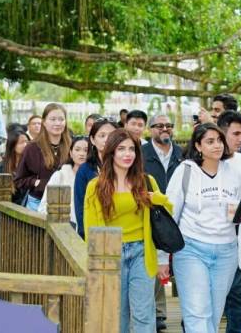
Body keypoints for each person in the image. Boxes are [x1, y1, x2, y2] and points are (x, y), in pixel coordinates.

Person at [158, 123, 241, 333]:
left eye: (219, 140)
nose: (217, 145)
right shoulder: (186, 171)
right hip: (191, 249)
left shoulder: (234, 173)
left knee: (214, 315)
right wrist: (162, 257)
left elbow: (240, 209)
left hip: (226, 251)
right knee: (197, 313)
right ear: (198, 146)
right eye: (210, 141)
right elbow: (169, 215)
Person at [84, 129, 172, 333]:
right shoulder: (96, 186)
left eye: (132, 149)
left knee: (144, 313)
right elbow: (91, 230)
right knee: (118, 315)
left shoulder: (146, 181)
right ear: (111, 152)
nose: (127, 154)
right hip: (111, 254)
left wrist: (156, 199)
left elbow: (167, 212)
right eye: (121, 149)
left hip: (142, 251)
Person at [141, 113, 184, 331]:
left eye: (169, 125)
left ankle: (187, 312)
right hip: (151, 211)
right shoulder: (142, 153)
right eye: (159, 126)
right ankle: (157, 312)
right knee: (154, 261)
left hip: (177, 211)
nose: (165, 129)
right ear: (150, 129)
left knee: (180, 262)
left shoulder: (181, 154)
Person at [217, 111, 241, 333]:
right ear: (222, 132)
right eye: (236, 134)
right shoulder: (203, 162)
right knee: (207, 296)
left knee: (238, 296)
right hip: (210, 240)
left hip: (239, 238)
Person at [14, 103, 71, 210]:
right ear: (44, 122)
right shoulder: (32, 147)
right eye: (53, 119)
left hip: (67, 202)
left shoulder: (73, 146)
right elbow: (19, 180)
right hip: (37, 203)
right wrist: (36, 182)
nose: (57, 123)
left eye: (61, 119)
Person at [74, 118, 119, 238]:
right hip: (97, 234)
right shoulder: (85, 170)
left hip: (126, 231)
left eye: (111, 135)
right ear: (93, 140)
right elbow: (81, 208)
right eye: (102, 135)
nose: (107, 139)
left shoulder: (126, 166)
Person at [38, 135, 89, 228]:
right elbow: (44, 207)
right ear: (71, 153)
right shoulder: (60, 176)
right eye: (77, 150)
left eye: (86, 150)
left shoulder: (96, 177)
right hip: (64, 228)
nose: (82, 154)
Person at [0, 129, 29, 196]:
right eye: (21, 142)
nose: (25, 145)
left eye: (27, 142)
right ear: (12, 145)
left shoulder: (32, 167)